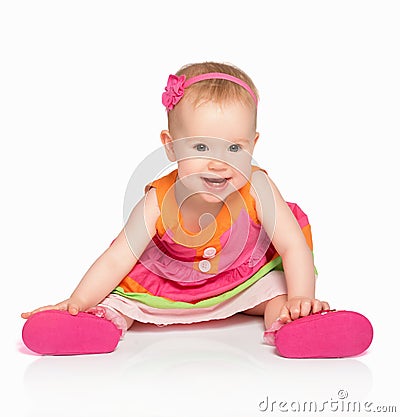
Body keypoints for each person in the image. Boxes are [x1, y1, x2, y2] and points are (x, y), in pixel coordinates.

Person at [21, 62, 373, 357]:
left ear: (254, 145)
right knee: (120, 300)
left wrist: (301, 298)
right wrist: (77, 300)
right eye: (202, 146)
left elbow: (293, 246)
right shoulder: (158, 200)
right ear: (170, 147)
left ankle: (296, 325)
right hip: (169, 286)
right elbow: (117, 259)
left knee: (278, 289)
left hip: (241, 281)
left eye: (234, 148)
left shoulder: (258, 187)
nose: (219, 163)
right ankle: (91, 325)